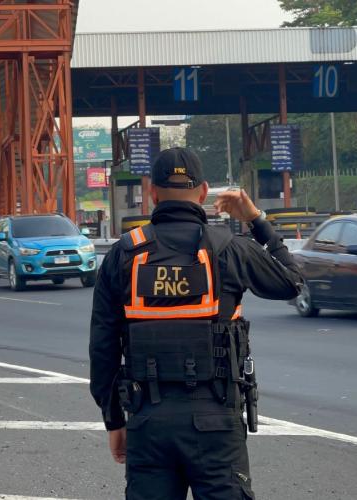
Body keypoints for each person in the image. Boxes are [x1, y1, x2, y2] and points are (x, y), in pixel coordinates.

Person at [89, 147, 302, 499]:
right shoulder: (230, 248)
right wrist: (256, 220)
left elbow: (103, 346)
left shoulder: (124, 254)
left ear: (152, 192)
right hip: (216, 423)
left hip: (148, 421)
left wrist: (114, 419)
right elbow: (291, 281)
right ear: (203, 192)